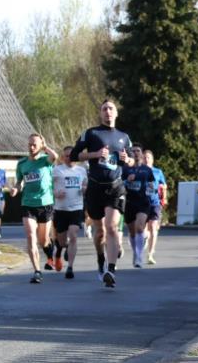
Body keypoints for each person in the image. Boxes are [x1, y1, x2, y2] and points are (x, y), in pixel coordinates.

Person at [71, 99, 134, 288]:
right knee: (99, 233)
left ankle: (111, 270)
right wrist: (95, 155)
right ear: (101, 113)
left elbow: (131, 161)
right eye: (104, 109)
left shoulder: (124, 137)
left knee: (112, 226)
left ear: (116, 113)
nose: (107, 112)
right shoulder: (91, 133)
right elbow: (74, 155)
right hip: (95, 187)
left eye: (111, 109)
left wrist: (127, 159)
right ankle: (101, 260)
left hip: (115, 187)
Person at [13, 134, 59, 284]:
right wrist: (15, 188)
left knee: (43, 239)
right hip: (28, 204)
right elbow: (19, 181)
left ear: (40, 146)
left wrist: (45, 147)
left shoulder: (45, 160)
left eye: (35, 144)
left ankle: (50, 253)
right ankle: (37, 271)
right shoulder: (22, 164)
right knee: (31, 236)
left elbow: (55, 156)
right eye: (30, 144)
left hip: (45, 204)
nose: (31, 147)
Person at [52, 146, 88, 279]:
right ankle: (61, 250)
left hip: (76, 208)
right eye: (66, 155)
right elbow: (48, 187)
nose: (69, 158)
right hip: (61, 209)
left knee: (73, 235)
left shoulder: (82, 170)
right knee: (61, 242)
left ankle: (70, 267)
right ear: (62, 157)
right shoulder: (57, 170)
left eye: (72, 155)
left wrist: (84, 188)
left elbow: (85, 184)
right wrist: (55, 193)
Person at [124, 146, 156, 268]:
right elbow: (119, 184)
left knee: (139, 228)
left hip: (143, 203)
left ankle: (139, 256)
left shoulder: (147, 170)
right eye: (134, 151)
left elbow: (152, 184)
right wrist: (127, 181)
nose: (136, 153)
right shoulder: (126, 169)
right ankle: (135, 252)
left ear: (142, 154)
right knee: (132, 232)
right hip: (129, 203)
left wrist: (149, 193)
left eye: (138, 151)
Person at [144, 149, 167, 264]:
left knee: (153, 228)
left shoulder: (158, 172)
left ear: (152, 160)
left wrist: (164, 196)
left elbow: (164, 185)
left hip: (155, 203)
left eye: (148, 157)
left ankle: (150, 254)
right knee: (143, 230)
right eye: (144, 157)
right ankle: (143, 238)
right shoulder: (139, 171)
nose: (146, 159)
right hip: (141, 203)